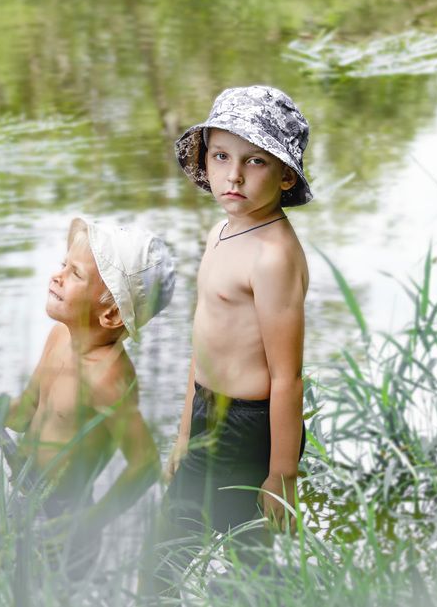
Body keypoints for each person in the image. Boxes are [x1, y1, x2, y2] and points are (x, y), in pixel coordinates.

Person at [142, 85, 313, 597]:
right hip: (208, 411)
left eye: (254, 161)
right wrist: (182, 434)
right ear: (204, 159)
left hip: (247, 425)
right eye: (221, 156)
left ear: (285, 175)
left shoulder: (273, 256)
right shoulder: (223, 231)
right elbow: (205, 341)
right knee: (217, 547)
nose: (233, 175)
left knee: (195, 550)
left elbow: (287, 375)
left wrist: (282, 475)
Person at [0, 217, 175, 580]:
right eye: (63, 265)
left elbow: (145, 465)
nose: (56, 276)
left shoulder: (108, 376)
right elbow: (25, 415)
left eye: (74, 274)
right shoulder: (57, 337)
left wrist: (88, 523)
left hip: (65, 516)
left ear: (110, 313)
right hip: (23, 492)